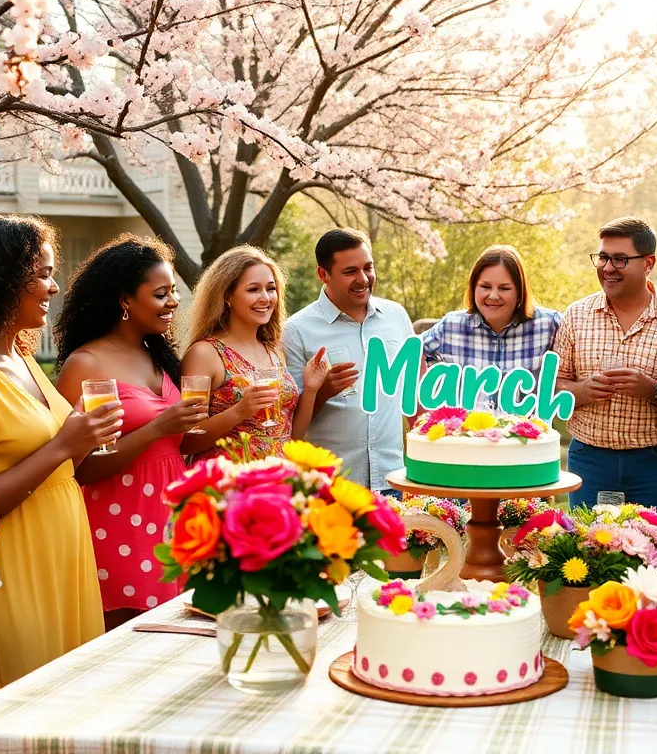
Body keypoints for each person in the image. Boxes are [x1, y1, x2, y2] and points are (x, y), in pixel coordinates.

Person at [0, 214, 121, 688]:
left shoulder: (23, 358)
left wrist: (84, 440)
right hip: (5, 572)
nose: (54, 287)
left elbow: (56, 461)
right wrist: (62, 447)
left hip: (64, 553)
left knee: (74, 701)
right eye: (42, 275)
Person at [53, 235, 205, 630]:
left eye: (173, 292)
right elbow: (77, 467)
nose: (172, 302)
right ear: (125, 300)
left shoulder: (155, 354)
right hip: (121, 523)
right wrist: (157, 428)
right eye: (160, 294)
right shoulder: (86, 364)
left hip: (174, 519)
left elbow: (178, 442)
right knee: (125, 644)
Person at [554, 217, 657, 515]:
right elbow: (555, 387)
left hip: (654, 461)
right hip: (589, 457)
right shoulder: (576, 315)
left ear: (648, 263)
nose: (607, 268)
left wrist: (651, 389)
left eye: (619, 259)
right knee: (586, 552)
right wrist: (583, 391)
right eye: (603, 257)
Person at [283, 229, 415, 493]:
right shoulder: (296, 330)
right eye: (350, 271)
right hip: (333, 485)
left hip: (394, 478)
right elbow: (288, 423)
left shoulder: (396, 316)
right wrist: (321, 392)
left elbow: (412, 388)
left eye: (368, 267)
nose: (363, 279)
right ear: (323, 274)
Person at [182, 245, 327, 462]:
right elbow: (187, 441)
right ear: (227, 296)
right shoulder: (204, 354)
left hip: (275, 483)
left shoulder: (275, 350)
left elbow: (290, 437)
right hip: (225, 486)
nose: (266, 298)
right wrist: (239, 411)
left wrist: (311, 389)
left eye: (271, 288)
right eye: (253, 290)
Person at [421, 245, 563, 409]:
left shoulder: (548, 325)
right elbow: (412, 355)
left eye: (504, 288)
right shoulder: (451, 327)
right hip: (466, 433)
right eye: (485, 287)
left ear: (520, 291)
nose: (494, 295)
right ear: (474, 287)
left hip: (526, 432)